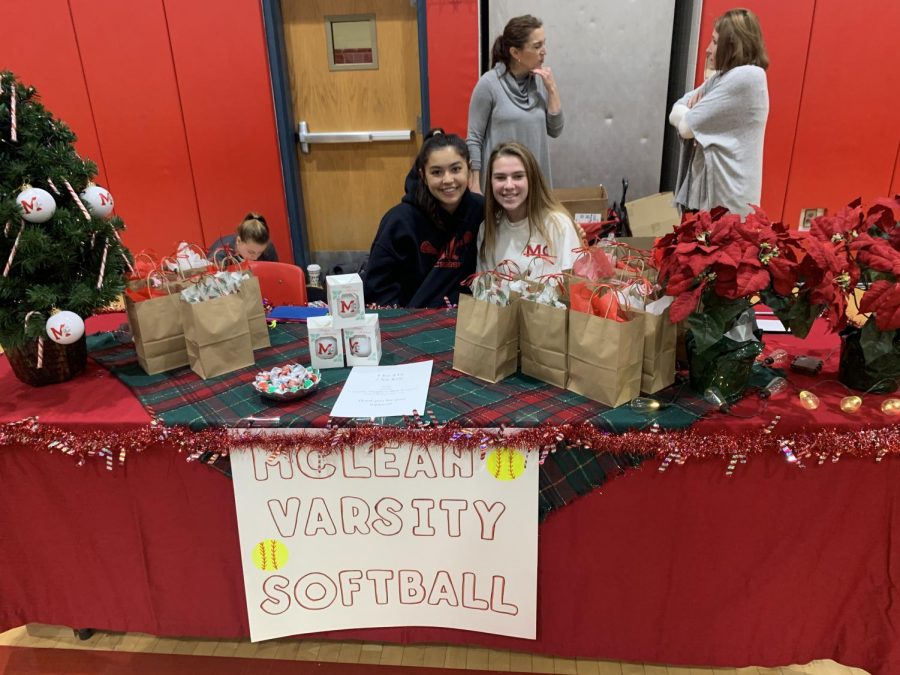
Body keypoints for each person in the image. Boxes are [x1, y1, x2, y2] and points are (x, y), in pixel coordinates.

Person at [362, 129, 484, 308]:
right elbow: (378, 289)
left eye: (456, 169)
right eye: (437, 172)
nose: (448, 180)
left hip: (469, 320)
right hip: (412, 323)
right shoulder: (399, 221)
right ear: (423, 175)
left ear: (469, 168)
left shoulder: (481, 211)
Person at [668, 7, 769, 217]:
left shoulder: (746, 77)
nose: (708, 49)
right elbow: (676, 110)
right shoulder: (722, 78)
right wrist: (690, 112)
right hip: (712, 200)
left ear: (732, 45)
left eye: (715, 42)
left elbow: (686, 127)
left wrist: (690, 113)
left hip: (730, 205)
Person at [466, 14, 563, 194]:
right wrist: (474, 184)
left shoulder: (538, 81)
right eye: (537, 46)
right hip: (503, 187)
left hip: (535, 185)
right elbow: (474, 138)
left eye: (544, 43)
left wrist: (552, 89)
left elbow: (555, 130)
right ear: (515, 53)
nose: (544, 51)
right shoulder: (489, 84)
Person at [477, 141, 581, 278]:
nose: (509, 185)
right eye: (500, 177)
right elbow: (483, 292)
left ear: (532, 179)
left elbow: (574, 287)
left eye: (518, 176)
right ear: (490, 182)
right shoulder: (487, 229)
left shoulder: (558, 224)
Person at [208, 212, 278, 263]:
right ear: (238, 241)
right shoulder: (220, 254)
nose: (255, 257)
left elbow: (275, 276)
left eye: (260, 253)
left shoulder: (268, 249)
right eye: (251, 252)